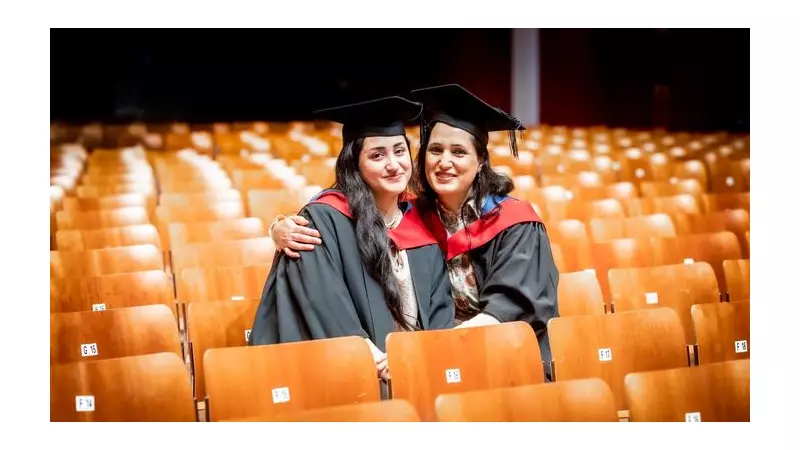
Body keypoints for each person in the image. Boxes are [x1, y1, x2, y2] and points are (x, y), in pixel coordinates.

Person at [269, 85, 559, 378]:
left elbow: (511, 308)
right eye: (435, 150)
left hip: (501, 353)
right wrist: (279, 228)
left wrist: (430, 351)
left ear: (481, 160)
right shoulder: (416, 213)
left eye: (458, 152)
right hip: (429, 361)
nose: (445, 162)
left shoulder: (516, 222)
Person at [248, 95, 454, 386]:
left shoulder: (421, 222)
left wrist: (422, 358)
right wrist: (373, 360)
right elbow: (323, 300)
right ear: (354, 163)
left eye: (399, 151)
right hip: (355, 374)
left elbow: (439, 307)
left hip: (417, 369)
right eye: (377, 155)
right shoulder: (325, 220)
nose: (394, 164)